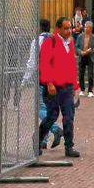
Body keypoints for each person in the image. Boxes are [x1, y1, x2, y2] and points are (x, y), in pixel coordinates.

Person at [37, 14, 80, 157]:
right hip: (53, 87)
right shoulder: (51, 41)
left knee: (69, 116)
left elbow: (72, 65)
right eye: (66, 28)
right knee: (52, 116)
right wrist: (49, 82)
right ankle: (37, 140)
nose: (69, 31)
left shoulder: (70, 43)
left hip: (66, 87)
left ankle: (69, 146)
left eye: (70, 28)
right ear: (58, 29)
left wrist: (75, 85)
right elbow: (44, 63)